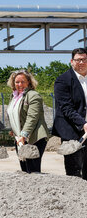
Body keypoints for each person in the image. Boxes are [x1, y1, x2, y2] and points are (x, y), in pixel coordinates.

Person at [52, 48, 87, 179]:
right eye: (78, 60)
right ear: (72, 62)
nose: (82, 62)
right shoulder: (63, 80)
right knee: (74, 173)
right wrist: (83, 124)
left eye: (84, 59)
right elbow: (66, 108)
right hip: (72, 131)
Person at [6, 70, 49, 173]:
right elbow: (14, 115)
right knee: (24, 169)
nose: (20, 84)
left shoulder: (33, 95)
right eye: (17, 82)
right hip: (19, 138)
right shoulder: (14, 97)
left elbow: (32, 117)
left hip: (34, 138)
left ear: (29, 82)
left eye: (23, 81)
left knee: (33, 170)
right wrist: (14, 130)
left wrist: (24, 135)